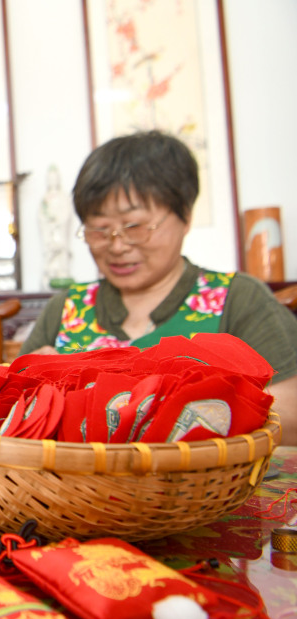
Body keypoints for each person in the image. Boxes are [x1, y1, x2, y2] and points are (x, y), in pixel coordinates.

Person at [20, 130, 297, 446]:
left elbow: (289, 414)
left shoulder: (238, 299)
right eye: (98, 230)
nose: (118, 245)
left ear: (185, 216)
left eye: (134, 226)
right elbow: (17, 416)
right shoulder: (66, 307)